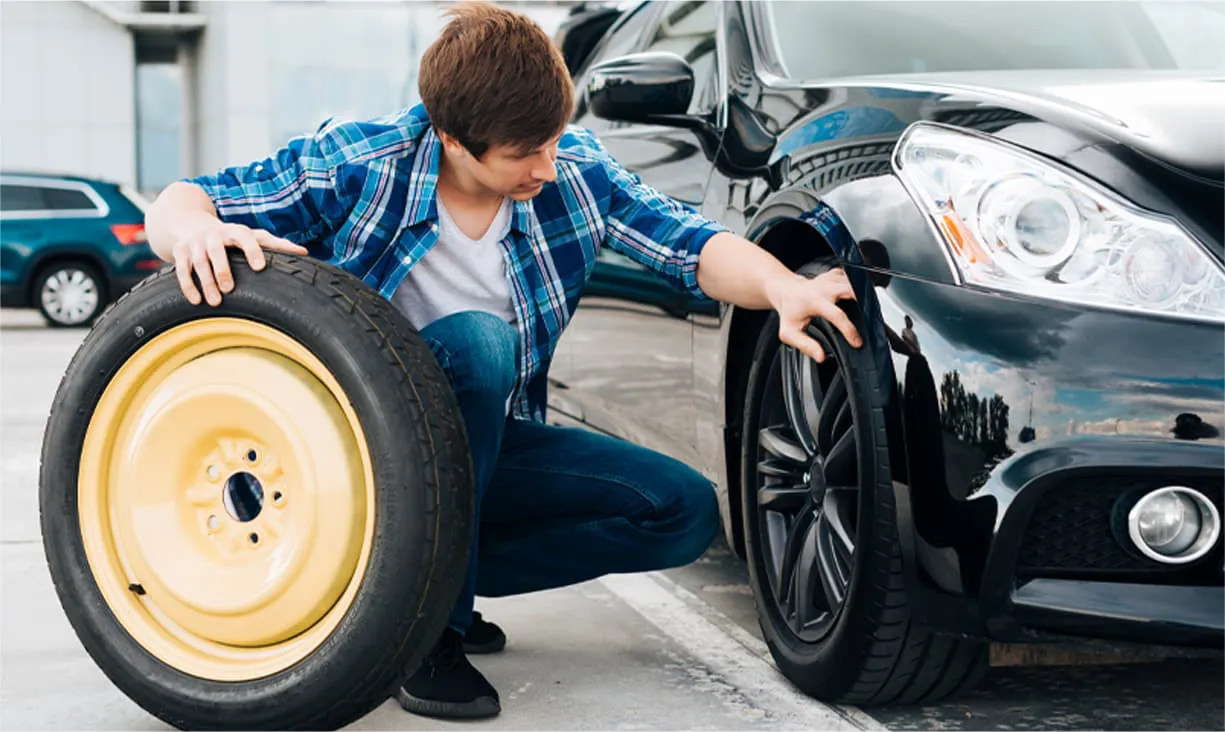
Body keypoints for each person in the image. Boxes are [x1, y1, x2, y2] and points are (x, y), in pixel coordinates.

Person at [145, 1, 862, 721]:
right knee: (478, 343)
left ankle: (413, 586)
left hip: (485, 443)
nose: (546, 168)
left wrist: (782, 286)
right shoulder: (361, 163)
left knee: (680, 512)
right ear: (453, 139)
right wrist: (193, 233)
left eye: (551, 140)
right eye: (523, 152)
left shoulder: (575, 169)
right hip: (354, 454)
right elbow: (179, 203)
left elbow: (691, 245)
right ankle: (425, 634)